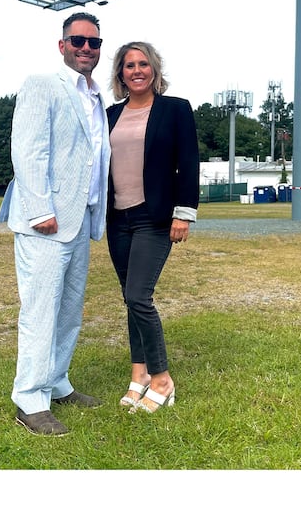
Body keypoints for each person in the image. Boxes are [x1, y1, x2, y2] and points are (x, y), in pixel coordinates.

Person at [0, 12, 111, 436]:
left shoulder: (97, 97)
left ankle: (58, 382)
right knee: (41, 311)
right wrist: (40, 208)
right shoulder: (42, 85)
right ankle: (29, 400)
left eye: (94, 43)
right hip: (44, 221)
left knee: (69, 310)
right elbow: (28, 150)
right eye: (78, 40)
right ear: (62, 45)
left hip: (81, 218)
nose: (86, 48)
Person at [106, 41, 199, 413]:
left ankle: (161, 378)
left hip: (155, 216)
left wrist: (184, 212)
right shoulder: (110, 114)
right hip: (118, 218)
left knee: (139, 297)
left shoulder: (175, 110)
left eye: (143, 64)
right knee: (130, 299)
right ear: (120, 74)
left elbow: (188, 162)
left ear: (154, 69)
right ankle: (139, 374)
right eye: (129, 65)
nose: (137, 70)